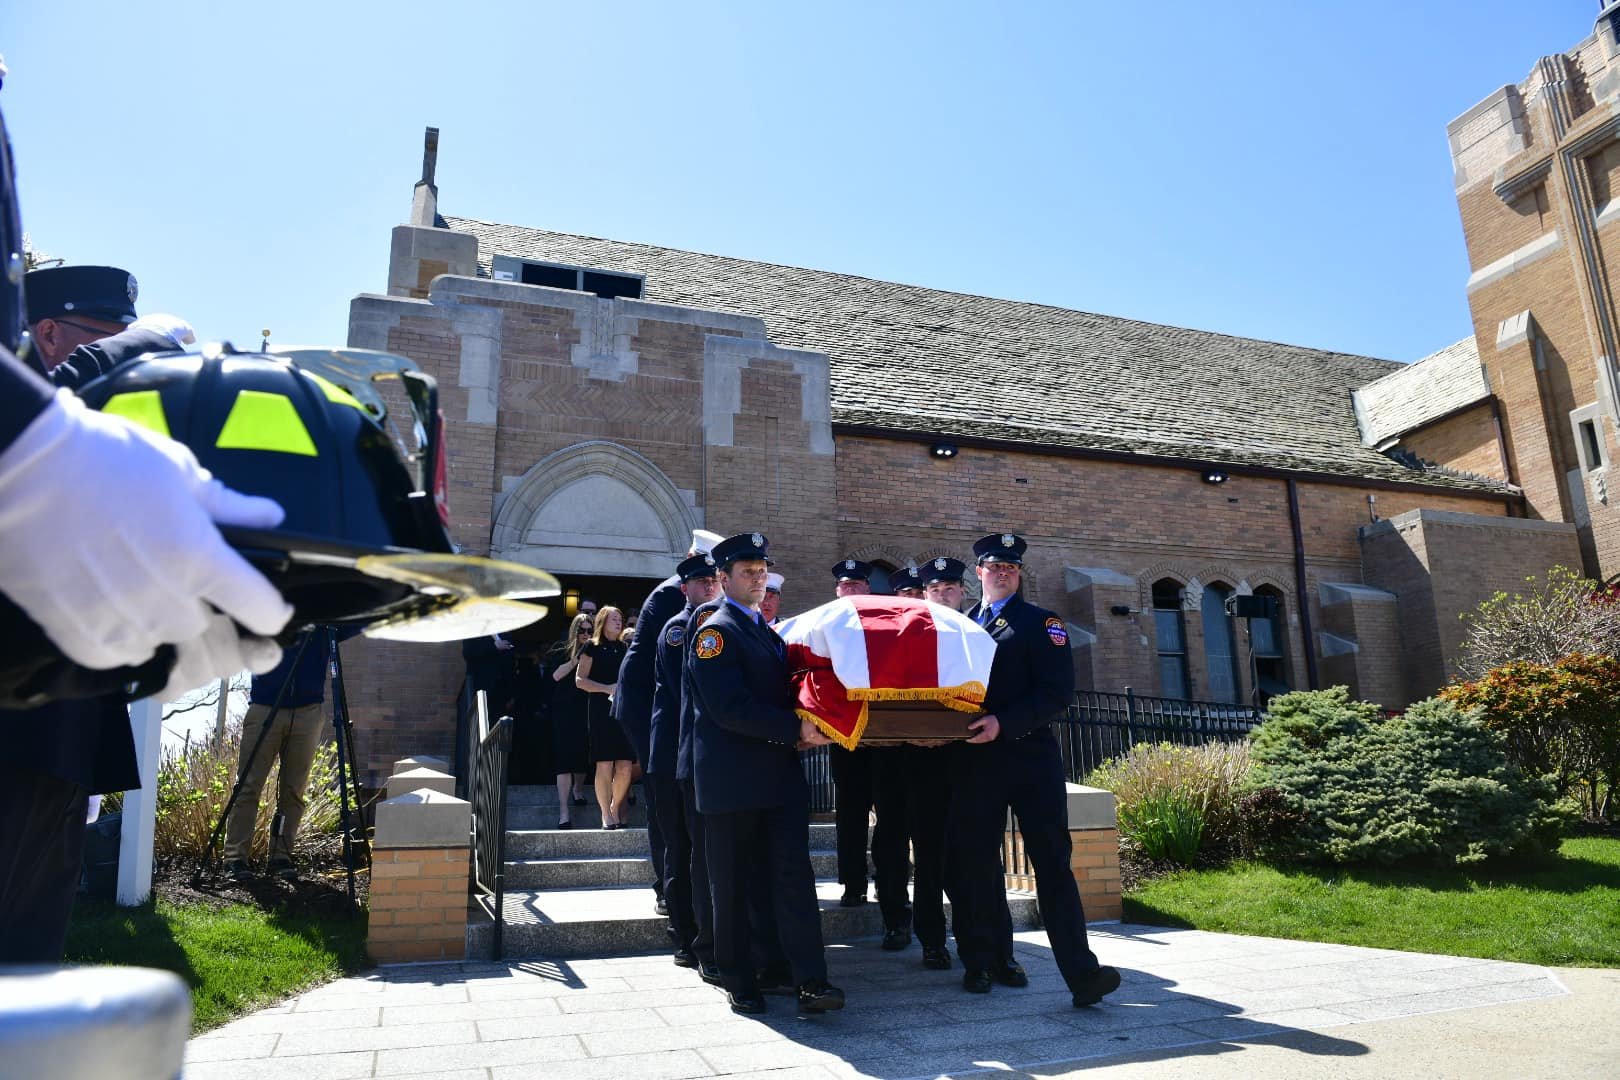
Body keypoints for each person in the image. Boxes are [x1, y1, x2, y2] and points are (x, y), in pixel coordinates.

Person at [948, 533, 1120, 1007]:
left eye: (1010, 566)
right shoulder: (960, 625)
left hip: (1029, 760)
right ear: (977, 572)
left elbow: (1056, 693)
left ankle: (1082, 974)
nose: (1002, 572)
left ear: (1018, 574)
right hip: (975, 763)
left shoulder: (1042, 623)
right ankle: (984, 962)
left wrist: (1004, 722)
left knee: (1052, 866)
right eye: (992, 565)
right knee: (980, 866)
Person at [688, 532, 844, 1016]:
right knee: (732, 885)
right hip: (732, 782)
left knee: (793, 880)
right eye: (747, 572)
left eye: (761, 572)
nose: (758, 579)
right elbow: (728, 708)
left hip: (778, 780)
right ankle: (740, 979)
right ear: (722, 580)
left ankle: (809, 980)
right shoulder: (715, 632)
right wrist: (795, 727)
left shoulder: (767, 632)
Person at [614, 529, 723, 909]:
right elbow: (672, 665)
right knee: (664, 797)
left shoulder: (690, 592)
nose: (712, 581)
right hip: (650, 704)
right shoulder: (670, 595)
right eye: (707, 572)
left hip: (663, 702)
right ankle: (667, 886)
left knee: (674, 798)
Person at [648, 552, 722, 973]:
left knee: (697, 849)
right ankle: (684, 937)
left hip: (688, 756)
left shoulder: (706, 625)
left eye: (713, 580)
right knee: (681, 848)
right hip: (671, 757)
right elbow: (686, 698)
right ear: (684, 589)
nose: (709, 586)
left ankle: (698, 933)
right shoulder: (680, 630)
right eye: (700, 582)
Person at [222, 628, 339, 880]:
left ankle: (281, 857)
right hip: (266, 706)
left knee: (293, 790)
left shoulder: (325, 621)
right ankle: (235, 859)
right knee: (248, 786)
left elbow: (360, 621)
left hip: (308, 712)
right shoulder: (270, 615)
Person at [829, 557, 879, 906]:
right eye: (845, 586)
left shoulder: (882, 622)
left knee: (889, 814)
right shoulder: (828, 625)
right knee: (850, 814)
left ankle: (888, 879)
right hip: (845, 736)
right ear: (837, 591)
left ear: (867, 589)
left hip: (882, 737)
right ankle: (853, 883)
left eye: (856, 585)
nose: (850, 590)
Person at [577, 606, 632, 828]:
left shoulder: (625, 647)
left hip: (623, 710)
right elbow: (580, 680)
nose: (619, 622)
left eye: (620, 619)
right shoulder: (592, 647)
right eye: (614, 619)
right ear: (603, 621)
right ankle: (605, 814)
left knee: (625, 766)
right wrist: (606, 688)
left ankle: (615, 806)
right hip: (601, 709)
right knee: (605, 764)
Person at [546, 614, 594, 827]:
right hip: (564, 710)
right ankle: (563, 811)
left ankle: (578, 789)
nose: (586, 634)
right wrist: (576, 659)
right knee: (564, 760)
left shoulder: (595, 650)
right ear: (574, 631)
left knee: (582, 754)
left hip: (587, 708)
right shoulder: (561, 650)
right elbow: (555, 676)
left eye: (589, 631)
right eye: (581, 630)